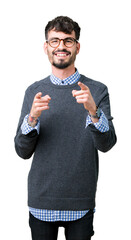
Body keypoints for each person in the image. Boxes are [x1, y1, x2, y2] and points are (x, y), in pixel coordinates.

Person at [14, 16, 117, 240]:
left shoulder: (97, 91)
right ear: (46, 47)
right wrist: (32, 118)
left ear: (77, 47)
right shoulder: (34, 91)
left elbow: (107, 144)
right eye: (55, 40)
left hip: (80, 200)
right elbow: (22, 151)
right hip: (42, 200)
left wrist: (93, 111)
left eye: (68, 41)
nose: (61, 46)